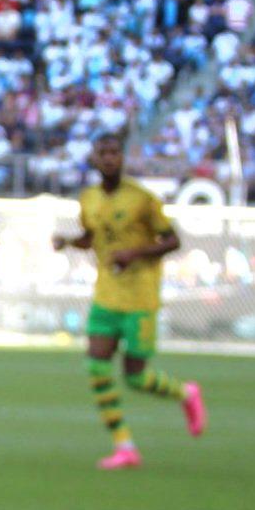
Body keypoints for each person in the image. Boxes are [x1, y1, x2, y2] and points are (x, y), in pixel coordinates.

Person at [54, 133, 205, 470]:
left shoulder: (142, 199)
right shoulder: (88, 198)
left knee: (136, 376)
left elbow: (172, 240)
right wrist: (67, 241)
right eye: (103, 153)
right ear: (94, 158)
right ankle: (124, 446)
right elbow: (92, 237)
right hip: (106, 294)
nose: (109, 159)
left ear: (122, 158)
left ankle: (186, 394)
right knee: (96, 364)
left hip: (140, 297)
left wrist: (134, 253)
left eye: (114, 153)